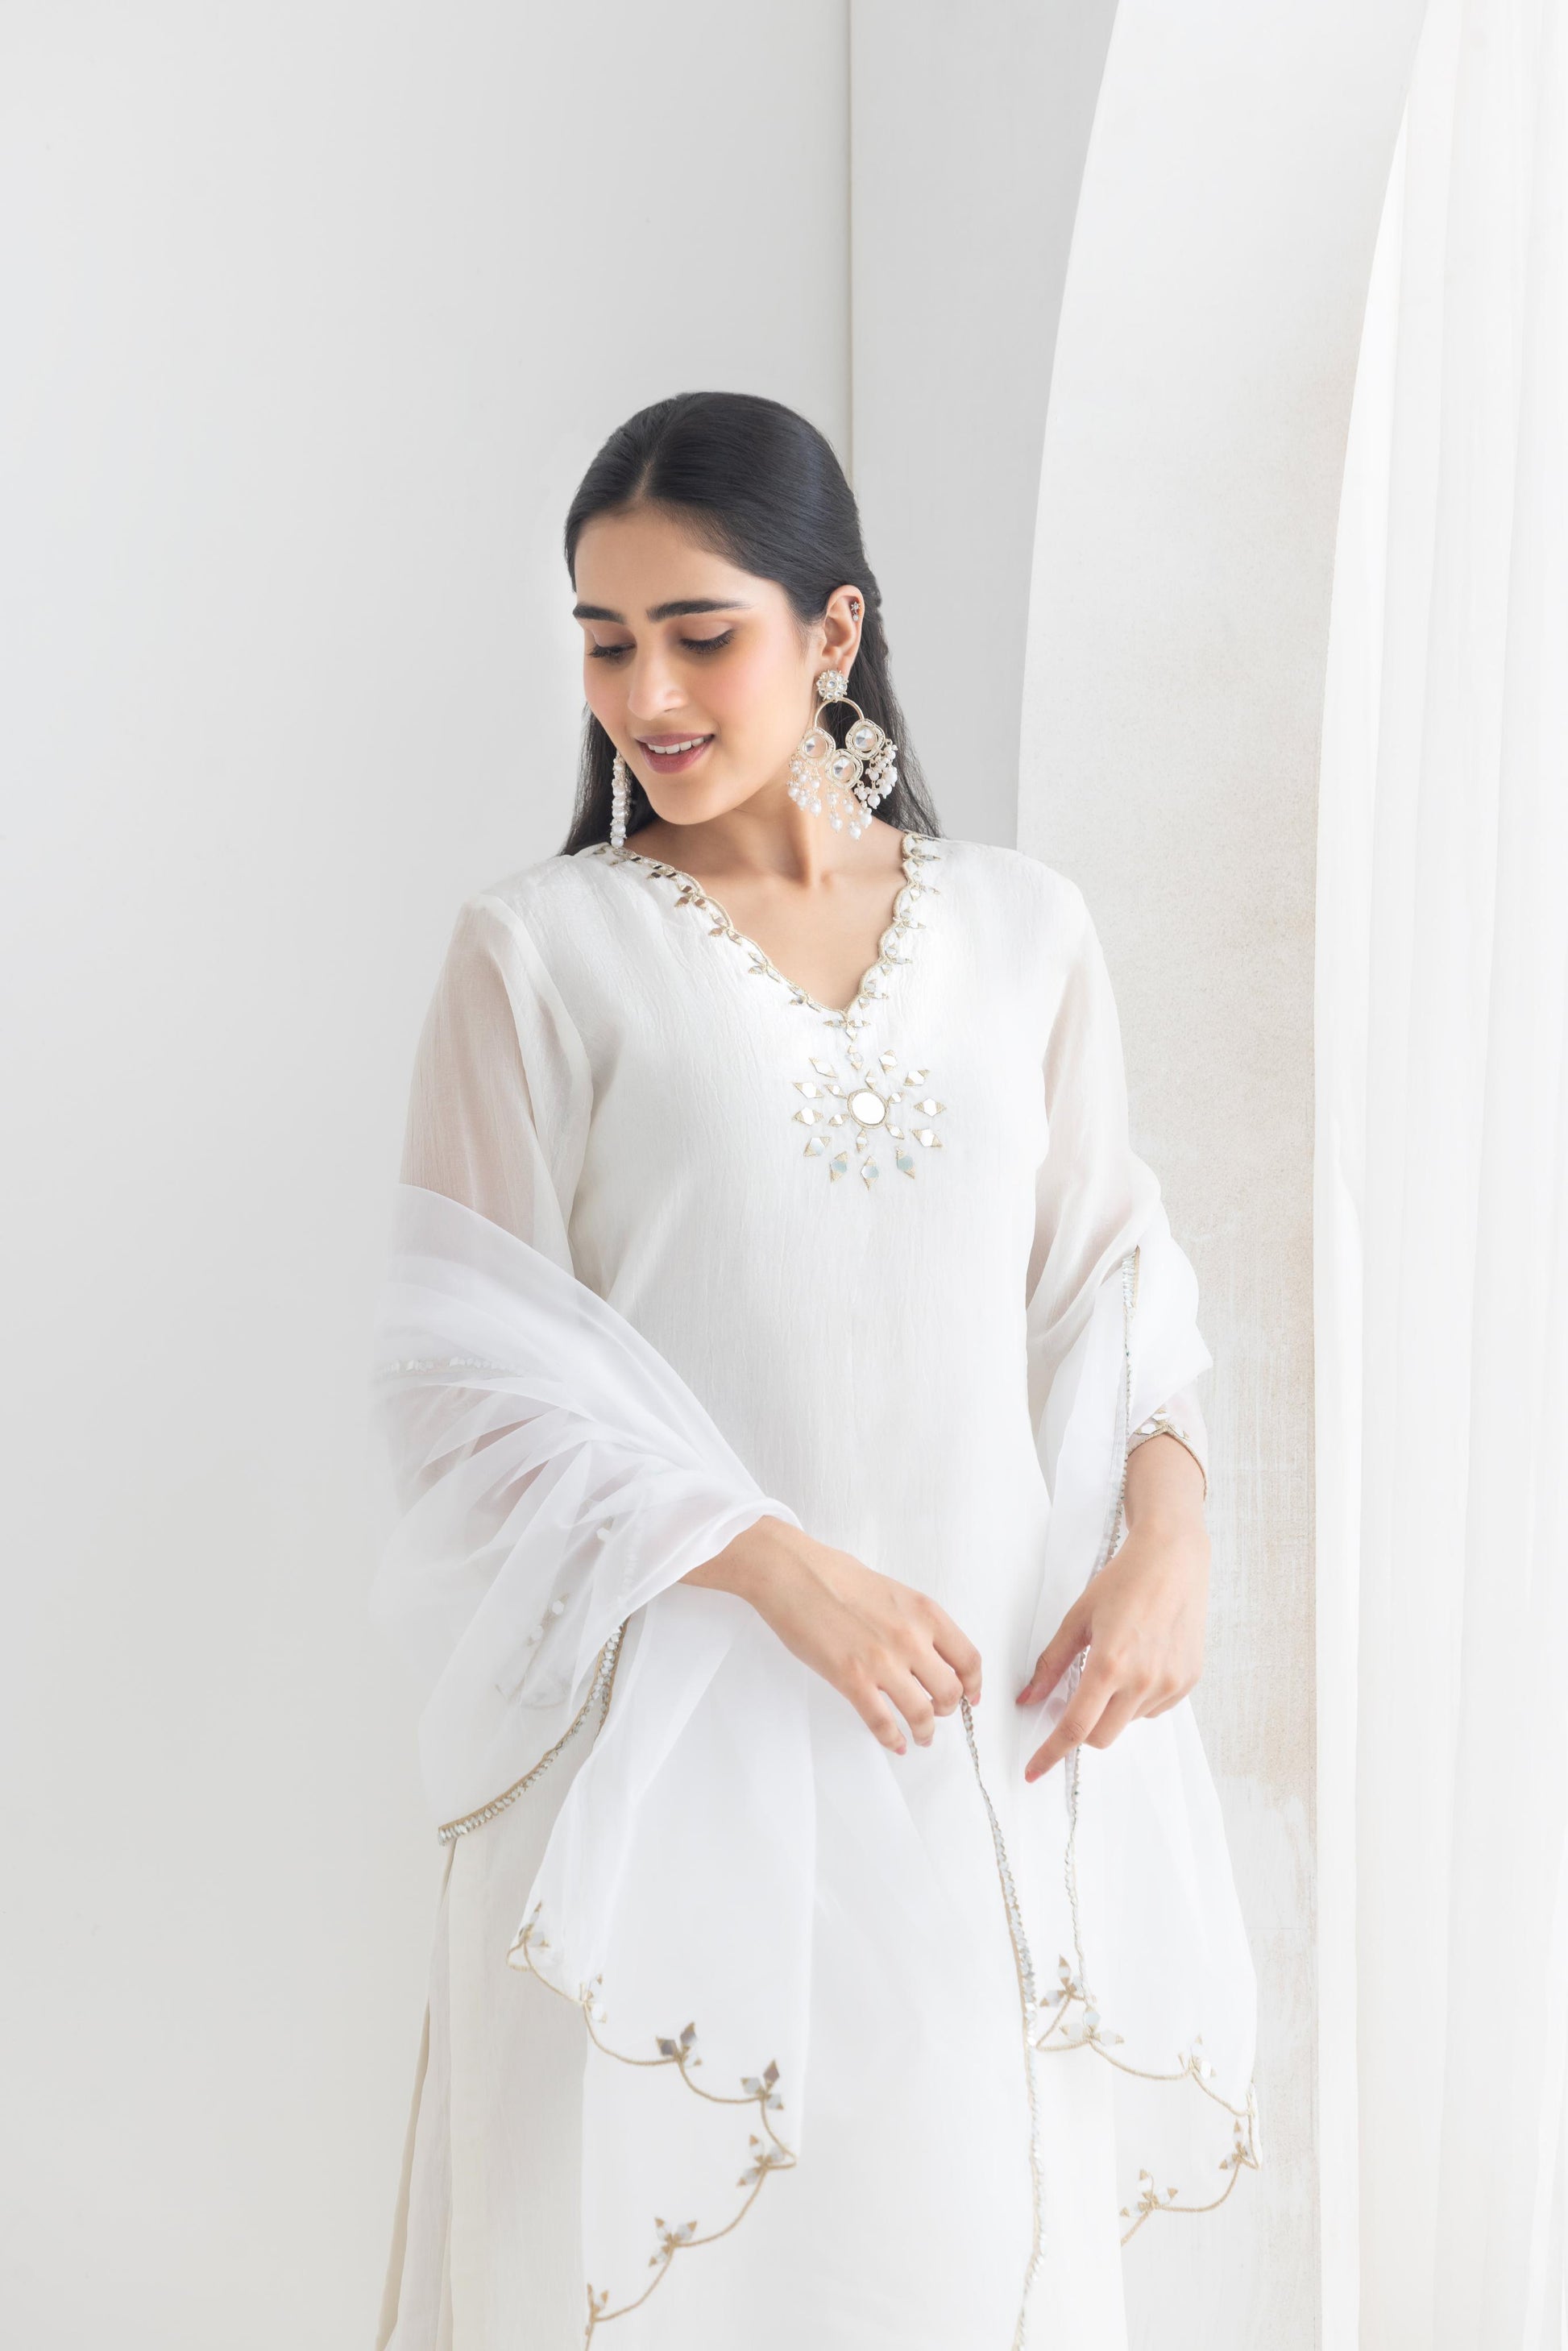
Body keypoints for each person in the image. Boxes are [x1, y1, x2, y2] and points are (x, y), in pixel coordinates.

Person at [370, 391, 1259, 2351]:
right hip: (669, 1755)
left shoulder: (1025, 932)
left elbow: (1109, 1280)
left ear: (831, 629)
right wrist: (779, 1567)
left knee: (949, 2270)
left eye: (701, 634)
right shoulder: (538, 955)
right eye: (605, 641)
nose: (646, 696)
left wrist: (1172, 1529)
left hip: (976, 1745)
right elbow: (463, 1382)